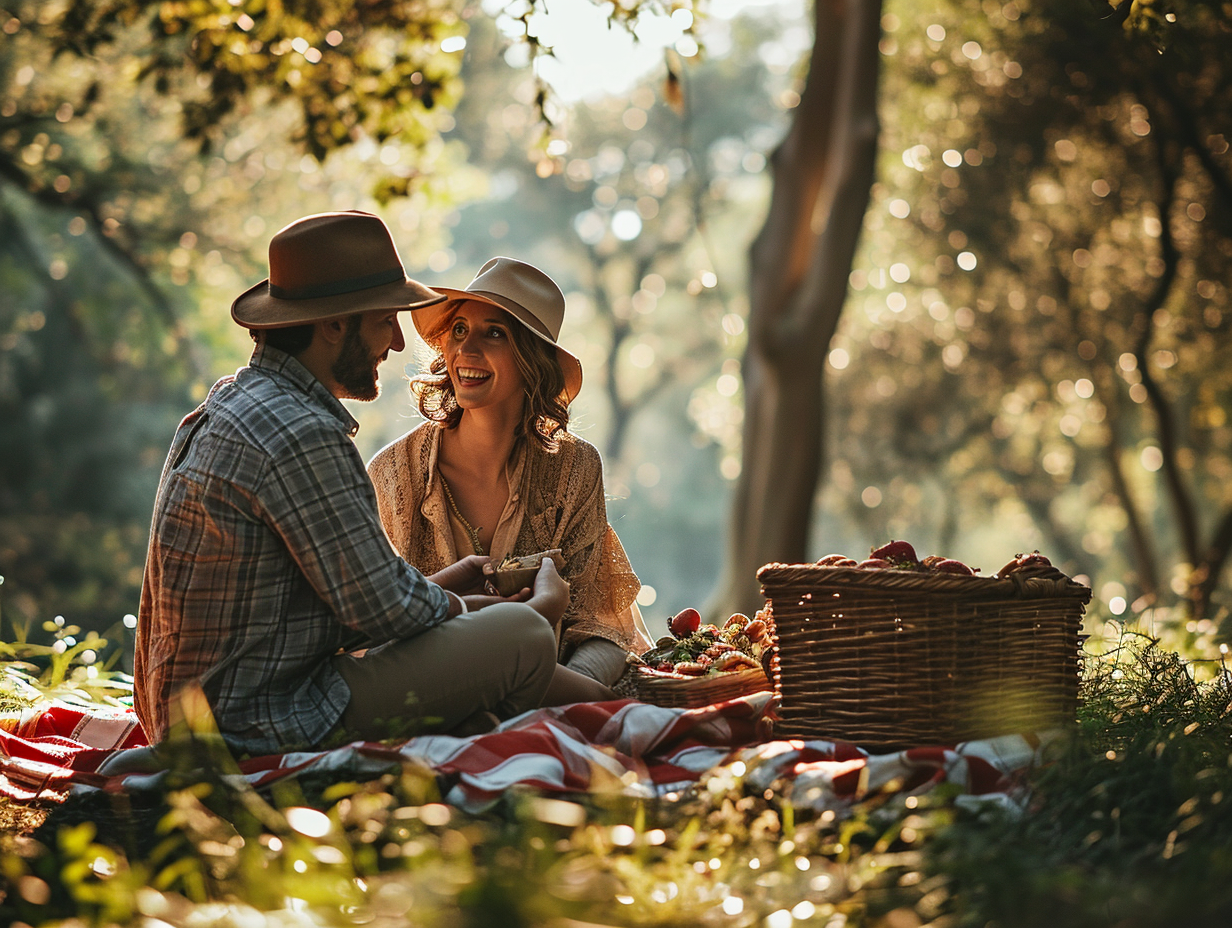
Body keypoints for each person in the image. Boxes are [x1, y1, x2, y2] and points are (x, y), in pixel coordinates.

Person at [134, 211, 580, 756]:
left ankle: (469, 730)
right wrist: (533, 613)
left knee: (502, 636)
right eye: (385, 320)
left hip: (198, 713)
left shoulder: (231, 403)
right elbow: (384, 612)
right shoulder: (303, 433)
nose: (396, 342)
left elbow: (353, 602)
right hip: (260, 721)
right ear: (334, 324)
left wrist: (450, 584)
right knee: (526, 638)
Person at [367, 257, 654, 690]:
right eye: (459, 330)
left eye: (494, 333)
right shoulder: (392, 475)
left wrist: (569, 694)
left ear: (532, 360)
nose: (465, 349)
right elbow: (376, 631)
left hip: (547, 696)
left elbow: (601, 627)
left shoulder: (575, 469)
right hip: (425, 697)